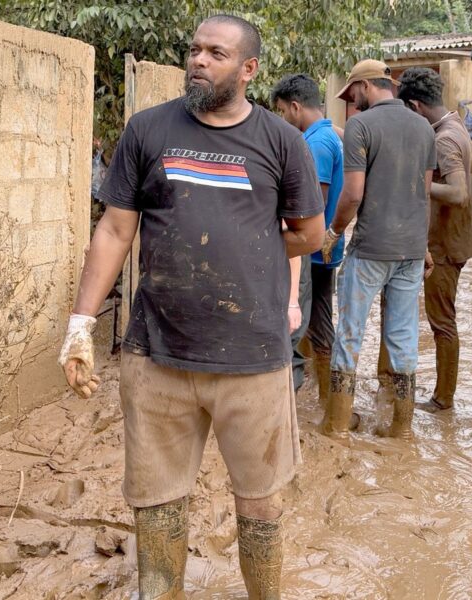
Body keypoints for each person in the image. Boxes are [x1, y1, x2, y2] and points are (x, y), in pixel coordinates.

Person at [57, 15, 324, 599]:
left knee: (260, 506)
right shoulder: (148, 130)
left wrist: (248, 246)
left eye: (216, 53)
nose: (198, 61)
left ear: (248, 69)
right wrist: (79, 325)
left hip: (253, 358)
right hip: (157, 354)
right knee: (155, 504)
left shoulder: (282, 142)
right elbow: (115, 230)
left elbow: (309, 233)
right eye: (194, 50)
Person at [317, 59, 436, 442]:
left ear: (366, 86)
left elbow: (352, 193)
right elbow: (425, 191)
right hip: (411, 250)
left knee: (350, 332)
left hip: (370, 249)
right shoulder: (423, 126)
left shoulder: (360, 126)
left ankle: (336, 423)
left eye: (352, 93)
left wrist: (333, 231)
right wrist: (425, 244)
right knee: (403, 336)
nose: (351, 101)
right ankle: (401, 427)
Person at [372, 67, 472, 413]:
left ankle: (443, 400)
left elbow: (459, 193)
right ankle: (388, 377)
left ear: (414, 107)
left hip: (444, 247)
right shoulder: (454, 126)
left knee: (441, 321)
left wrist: (415, 181)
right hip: (438, 243)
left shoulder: (444, 138)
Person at [272, 74, 347, 407]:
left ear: (295, 107)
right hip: (324, 246)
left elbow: (310, 202)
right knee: (317, 318)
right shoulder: (331, 135)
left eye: (282, 112)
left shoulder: (314, 144)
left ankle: (318, 400)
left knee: (305, 320)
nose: (283, 120)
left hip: (312, 249)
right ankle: (326, 400)